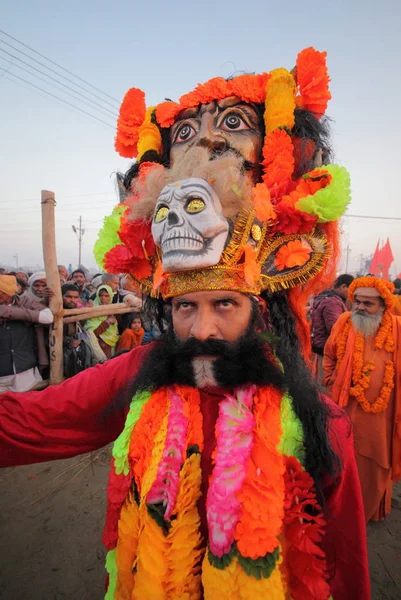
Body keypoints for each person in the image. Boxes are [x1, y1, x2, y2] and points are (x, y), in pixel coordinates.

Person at [1, 48, 370, 599]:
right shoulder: (139, 373)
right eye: (185, 308)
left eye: (225, 305)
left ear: (259, 306)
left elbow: (345, 567)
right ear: (166, 308)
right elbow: (29, 423)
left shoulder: (323, 424)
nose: (200, 330)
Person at [323, 276, 401, 522]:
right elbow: (329, 354)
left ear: (383, 306)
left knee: (375, 462)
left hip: (380, 413)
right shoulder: (345, 322)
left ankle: (367, 510)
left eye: (368, 304)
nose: (360, 308)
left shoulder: (397, 329)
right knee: (342, 456)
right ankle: (341, 508)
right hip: (344, 406)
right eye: (357, 302)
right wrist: (330, 381)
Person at [0, 274, 53, 392]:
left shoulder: (25, 302)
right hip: (2, 373)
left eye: (1, 292)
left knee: (27, 405)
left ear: (9, 293)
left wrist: (11, 312)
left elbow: (48, 317)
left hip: (25, 368)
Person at [311, 273, 354, 382]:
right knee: (324, 386)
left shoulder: (327, 297)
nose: (351, 295)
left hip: (321, 348)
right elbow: (336, 329)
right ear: (344, 286)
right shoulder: (332, 302)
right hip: (325, 351)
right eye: (351, 290)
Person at [62, 284, 91, 378]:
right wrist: (70, 341)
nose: (72, 300)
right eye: (68, 297)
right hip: (61, 355)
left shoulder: (77, 310)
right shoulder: (56, 311)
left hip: (76, 354)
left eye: (75, 297)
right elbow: (49, 337)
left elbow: (80, 329)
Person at [84, 285, 119, 359]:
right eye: (101, 295)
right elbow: (91, 333)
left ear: (111, 297)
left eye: (106, 296)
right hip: (97, 349)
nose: (103, 298)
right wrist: (107, 323)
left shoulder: (114, 309)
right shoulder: (92, 308)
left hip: (110, 346)